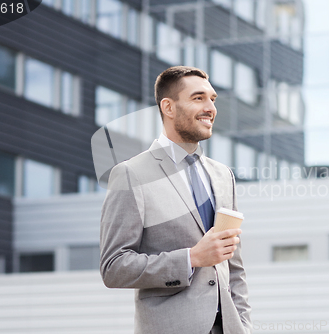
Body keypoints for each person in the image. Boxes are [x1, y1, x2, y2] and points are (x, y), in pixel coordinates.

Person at [99, 66, 252, 334]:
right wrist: (191, 258)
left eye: (212, 99)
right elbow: (114, 267)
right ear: (168, 107)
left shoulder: (223, 175)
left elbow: (234, 266)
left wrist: (245, 327)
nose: (210, 108)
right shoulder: (131, 174)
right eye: (198, 98)